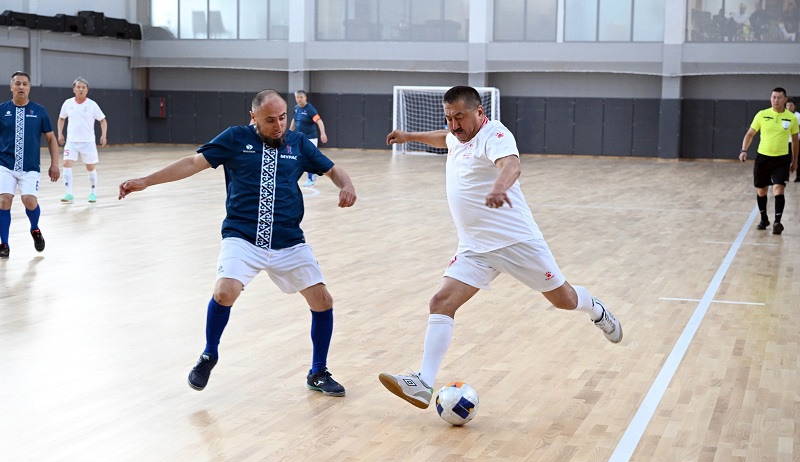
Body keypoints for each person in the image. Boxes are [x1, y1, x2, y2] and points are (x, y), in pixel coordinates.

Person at [378, 86, 623, 409]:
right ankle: (423, 382)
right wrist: (409, 136)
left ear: (479, 112)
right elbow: (445, 138)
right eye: (449, 118)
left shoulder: (495, 135)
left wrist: (498, 187)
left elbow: (511, 166)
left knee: (564, 300)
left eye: (459, 117)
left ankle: (595, 309)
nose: (454, 125)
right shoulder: (456, 135)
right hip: (475, 247)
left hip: (516, 243)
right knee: (440, 302)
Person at [118, 89, 357, 396]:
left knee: (322, 300)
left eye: (282, 117)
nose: (278, 125)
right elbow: (192, 162)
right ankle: (209, 354)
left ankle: (318, 372)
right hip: (242, 238)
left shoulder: (297, 144)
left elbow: (333, 169)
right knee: (224, 291)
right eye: (270, 120)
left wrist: (346, 184)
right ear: (253, 117)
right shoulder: (234, 138)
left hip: (288, 241)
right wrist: (146, 181)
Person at [0, 71, 60, 258]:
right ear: (11, 87)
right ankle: (4, 244)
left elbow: (51, 139)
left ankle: (35, 228)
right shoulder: (2, 110)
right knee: (4, 200)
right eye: (17, 83)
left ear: (29, 88)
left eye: (25, 84)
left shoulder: (39, 111)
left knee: (29, 201)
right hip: (5, 165)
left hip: (30, 167)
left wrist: (55, 164)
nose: (21, 87)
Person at [739, 87, 799, 235]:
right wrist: (744, 150)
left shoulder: (791, 118)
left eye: (779, 97)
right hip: (763, 158)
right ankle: (764, 218)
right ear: (770, 99)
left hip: (782, 159)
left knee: (779, 188)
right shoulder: (762, 114)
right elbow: (750, 134)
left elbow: (795, 141)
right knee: (762, 190)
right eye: (773, 97)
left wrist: (795, 161)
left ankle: (777, 222)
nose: (776, 100)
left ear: (785, 100)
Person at [57, 77, 107, 203]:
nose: (81, 89)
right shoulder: (68, 103)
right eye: (78, 87)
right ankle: (69, 193)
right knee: (66, 164)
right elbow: (61, 118)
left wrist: (103, 135)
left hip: (88, 142)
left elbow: (103, 120)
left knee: (90, 167)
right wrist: (60, 133)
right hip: (71, 142)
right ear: (74, 89)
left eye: (83, 87)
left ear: (87, 90)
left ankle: (93, 193)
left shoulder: (92, 105)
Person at [289, 90, 328, 187]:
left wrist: (323, 133)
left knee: (309, 157)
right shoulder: (296, 108)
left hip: (310, 137)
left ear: (305, 97)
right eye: (297, 97)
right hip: (299, 137)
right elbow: (294, 120)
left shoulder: (310, 109)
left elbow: (319, 121)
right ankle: (314, 172)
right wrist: (290, 131)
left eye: (301, 97)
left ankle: (310, 179)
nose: (299, 99)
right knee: (299, 157)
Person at [786, 97, 800, 182]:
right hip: (786, 141)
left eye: (790, 105)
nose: (789, 107)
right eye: (787, 105)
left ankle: (798, 176)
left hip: (796, 141)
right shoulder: (783, 115)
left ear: (794, 106)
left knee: (797, 158)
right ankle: (785, 176)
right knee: (785, 159)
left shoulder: (798, 116)